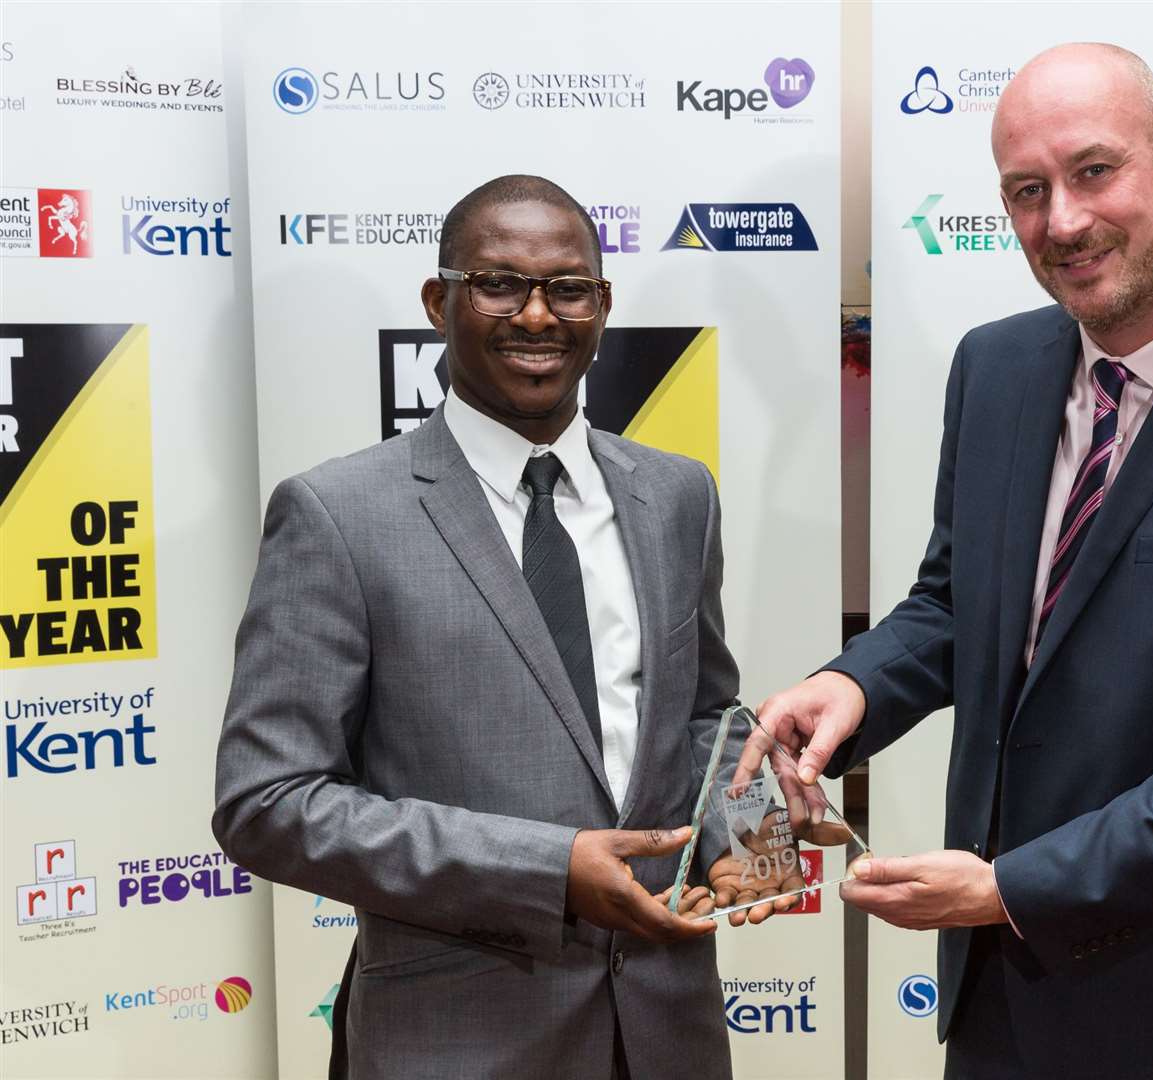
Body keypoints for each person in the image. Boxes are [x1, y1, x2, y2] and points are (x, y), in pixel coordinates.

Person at [753, 44, 1153, 1079]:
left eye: (1094, 171)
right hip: (1003, 1011)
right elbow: (959, 605)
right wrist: (852, 686)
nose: (1061, 222)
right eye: (1026, 191)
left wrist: (1009, 888)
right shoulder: (996, 368)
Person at [214, 175, 788, 1080]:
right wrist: (547, 868)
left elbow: (705, 719)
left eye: (567, 288)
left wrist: (759, 833)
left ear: (601, 307)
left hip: (668, 1029)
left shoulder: (676, 494)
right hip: (456, 1036)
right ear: (440, 301)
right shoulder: (339, 513)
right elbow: (269, 804)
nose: (536, 315)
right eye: (498, 284)